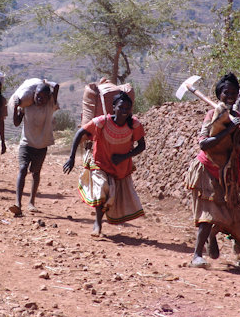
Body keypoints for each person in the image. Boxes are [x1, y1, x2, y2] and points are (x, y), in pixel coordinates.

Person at [185, 73, 240, 268]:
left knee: (229, 212)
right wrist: (228, 130)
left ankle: (212, 239)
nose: (229, 95)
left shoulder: (237, 118)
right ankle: (196, 255)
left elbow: (239, 147)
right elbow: (204, 144)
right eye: (226, 92)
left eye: (233, 92)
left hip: (226, 173)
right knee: (208, 212)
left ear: (238, 94)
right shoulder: (213, 115)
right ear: (219, 94)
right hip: (207, 168)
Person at [63, 91, 146, 236]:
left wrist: (124, 157)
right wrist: (71, 157)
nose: (124, 111)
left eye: (127, 109)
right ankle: (97, 223)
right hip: (99, 163)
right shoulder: (102, 122)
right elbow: (80, 133)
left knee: (112, 194)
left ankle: (103, 219)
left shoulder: (134, 125)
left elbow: (141, 146)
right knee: (102, 188)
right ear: (113, 107)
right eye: (121, 107)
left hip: (119, 167)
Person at [9, 82, 59, 216]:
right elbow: (16, 123)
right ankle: (18, 203)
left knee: (36, 173)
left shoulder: (50, 106)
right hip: (26, 144)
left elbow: (57, 86)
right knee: (23, 168)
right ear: (33, 95)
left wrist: (45, 81)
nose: (40, 99)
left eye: (43, 96)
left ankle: (31, 202)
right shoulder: (27, 106)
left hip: (41, 146)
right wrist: (16, 106)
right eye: (37, 95)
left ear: (49, 98)